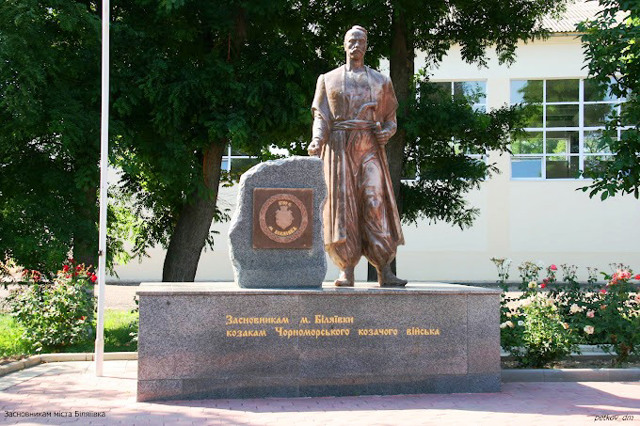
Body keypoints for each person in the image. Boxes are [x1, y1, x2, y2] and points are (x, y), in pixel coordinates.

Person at [308, 25, 407, 287]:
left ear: (366, 45)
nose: (356, 45)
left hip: (369, 146)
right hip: (339, 146)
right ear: (344, 45)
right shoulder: (327, 79)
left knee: (375, 202)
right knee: (342, 207)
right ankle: (346, 269)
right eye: (352, 40)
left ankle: (384, 268)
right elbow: (322, 117)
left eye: (361, 41)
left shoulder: (380, 81)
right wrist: (317, 140)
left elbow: (390, 119)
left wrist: (387, 132)